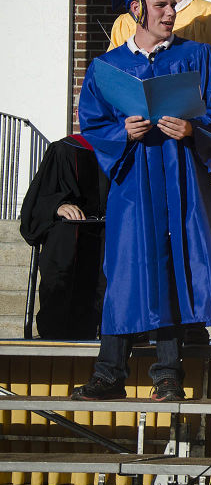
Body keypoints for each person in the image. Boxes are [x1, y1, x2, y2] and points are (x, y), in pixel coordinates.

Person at [72, 0, 211, 401]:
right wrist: (124, 132)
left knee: (173, 266)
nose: (169, 12)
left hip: (179, 178)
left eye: (172, 5)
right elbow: (93, 125)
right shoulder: (108, 67)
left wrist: (195, 130)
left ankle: (167, 374)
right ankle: (109, 373)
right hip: (134, 181)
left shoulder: (197, 56)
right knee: (125, 270)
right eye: (160, 5)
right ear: (136, 9)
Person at [19, 135, 109, 340]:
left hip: (111, 239)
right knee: (63, 241)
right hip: (70, 241)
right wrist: (57, 206)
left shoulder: (127, 152)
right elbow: (34, 207)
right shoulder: (64, 149)